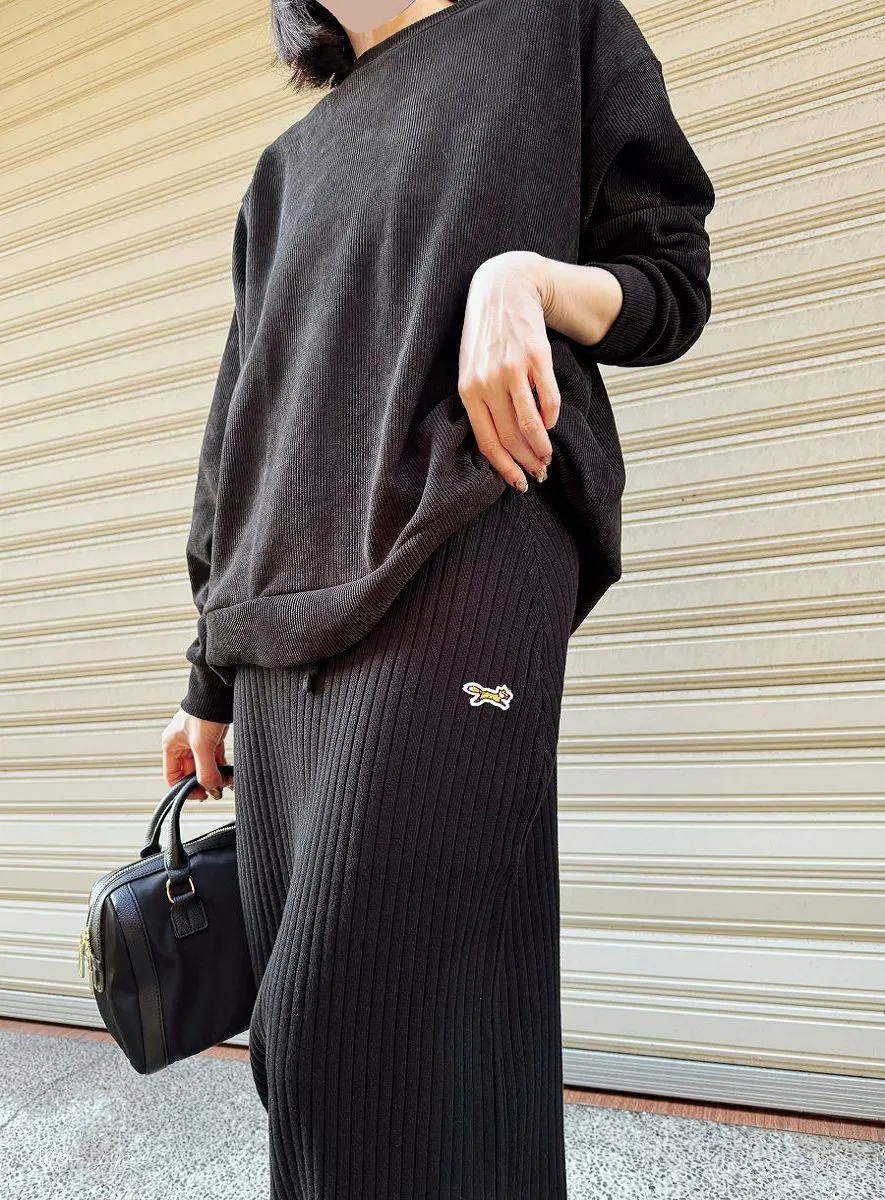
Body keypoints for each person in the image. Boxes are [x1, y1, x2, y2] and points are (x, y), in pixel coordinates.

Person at [161, 1, 715, 1196]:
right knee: (414, 1041)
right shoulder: (283, 170)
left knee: (338, 1028)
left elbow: (670, 278)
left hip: (464, 534)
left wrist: (530, 282)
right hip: (279, 621)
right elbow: (238, 422)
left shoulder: (547, 28)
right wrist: (207, 674)